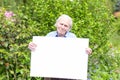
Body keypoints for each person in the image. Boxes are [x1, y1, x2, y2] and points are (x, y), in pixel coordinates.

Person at [28, 14, 92, 80]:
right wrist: (32, 46)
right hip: (51, 72)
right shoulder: (49, 36)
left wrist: (87, 51)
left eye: (66, 26)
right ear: (56, 24)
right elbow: (41, 51)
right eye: (61, 24)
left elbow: (78, 54)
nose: (62, 27)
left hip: (68, 72)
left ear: (69, 28)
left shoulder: (73, 37)